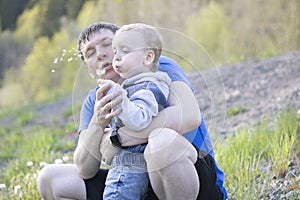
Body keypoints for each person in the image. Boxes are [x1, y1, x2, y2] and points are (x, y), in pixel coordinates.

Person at [36, 22, 228, 200]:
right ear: (89, 69)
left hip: (192, 180)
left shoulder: (157, 68)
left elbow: (189, 116)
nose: (101, 54)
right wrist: (98, 122)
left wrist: (118, 138)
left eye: (108, 45)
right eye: (90, 53)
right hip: (132, 183)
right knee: (50, 178)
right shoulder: (94, 100)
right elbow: (85, 169)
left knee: (161, 142)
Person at [102, 23, 171, 199]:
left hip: (131, 166)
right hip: (128, 164)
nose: (116, 57)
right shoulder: (135, 84)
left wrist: (121, 99)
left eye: (124, 51)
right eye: (115, 51)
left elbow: (139, 120)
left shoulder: (148, 86)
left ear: (148, 57)